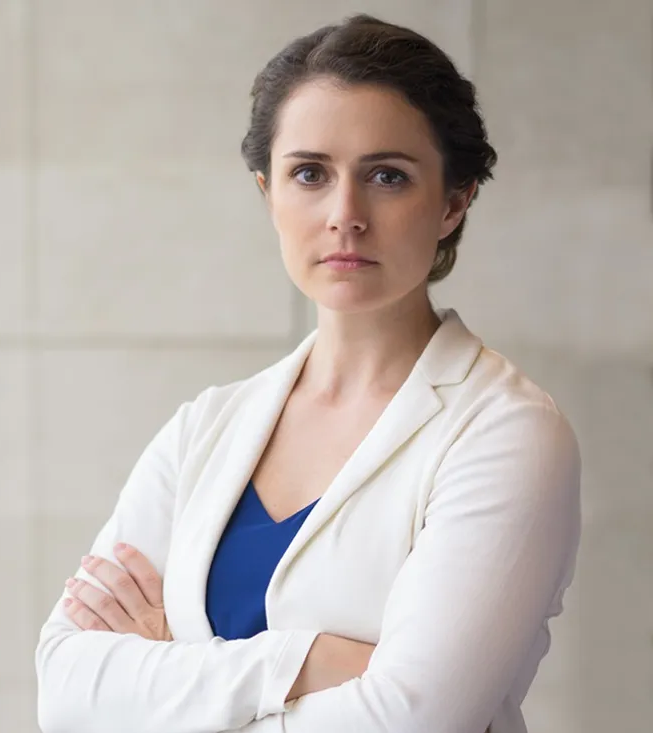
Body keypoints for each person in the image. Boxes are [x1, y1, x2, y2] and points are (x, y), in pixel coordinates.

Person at [35, 14, 580, 733]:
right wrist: (308, 660)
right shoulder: (206, 428)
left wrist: (170, 669)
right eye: (310, 174)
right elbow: (66, 688)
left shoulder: (508, 434)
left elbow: (408, 723)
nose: (345, 215)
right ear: (269, 192)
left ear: (454, 201)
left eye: (387, 176)